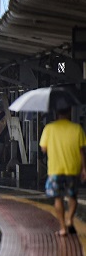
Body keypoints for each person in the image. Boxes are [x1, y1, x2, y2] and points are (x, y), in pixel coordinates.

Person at [39, 100, 86, 236]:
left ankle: (63, 228)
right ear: (70, 111)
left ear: (56, 113)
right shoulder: (77, 129)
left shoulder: (49, 128)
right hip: (73, 169)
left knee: (58, 198)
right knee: (72, 196)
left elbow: (43, 148)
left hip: (55, 169)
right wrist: (84, 169)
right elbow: (82, 151)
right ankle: (70, 219)